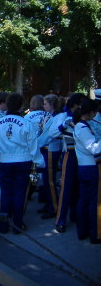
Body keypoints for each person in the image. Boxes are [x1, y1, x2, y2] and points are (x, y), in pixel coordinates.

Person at [0, 93, 45, 234]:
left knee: (6, 192)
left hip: (5, 162)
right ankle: (17, 225)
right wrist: (39, 162)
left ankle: (3, 225)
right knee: (19, 193)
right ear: (21, 106)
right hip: (23, 162)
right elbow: (33, 146)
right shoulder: (26, 123)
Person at [50, 93, 86, 233]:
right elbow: (52, 134)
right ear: (75, 104)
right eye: (80, 104)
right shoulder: (63, 116)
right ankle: (60, 220)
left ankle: (76, 215)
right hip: (69, 153)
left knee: (79, 187)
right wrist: (63, 127)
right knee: (66, 188)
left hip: (83, 155)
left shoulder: (85, 115)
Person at [72, 98, 101, 244]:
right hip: (89, 167)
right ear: (89, 112)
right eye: (94, 112)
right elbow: (95, 149)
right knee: (91, 202)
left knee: (84, 199)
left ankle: (83, 231)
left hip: (85, 167)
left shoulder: (82, 126)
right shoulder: (82, 128)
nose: (95, 115)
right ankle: (93, 233)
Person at [36, 94, 62, 219]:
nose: (43, 105)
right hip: (45, 149)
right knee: (46, 179)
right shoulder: (49, 115)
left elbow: (53, 133)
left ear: (52, 104)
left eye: (46, 103)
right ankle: (48, 203)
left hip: (52, 149)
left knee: (50, 179)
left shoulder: (59, 116)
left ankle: (54, 207)